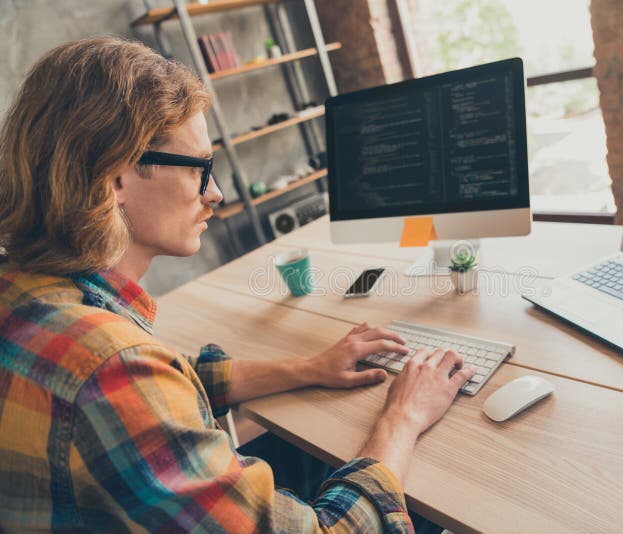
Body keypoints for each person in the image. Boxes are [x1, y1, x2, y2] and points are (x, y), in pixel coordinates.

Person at [0, 37, 476, 532]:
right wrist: (403, 417)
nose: (217, 194)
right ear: (115, 178)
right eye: (200, 169)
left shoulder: (25, 291)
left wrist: (309, 366)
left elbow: (167, 384)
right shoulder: (111, 369)